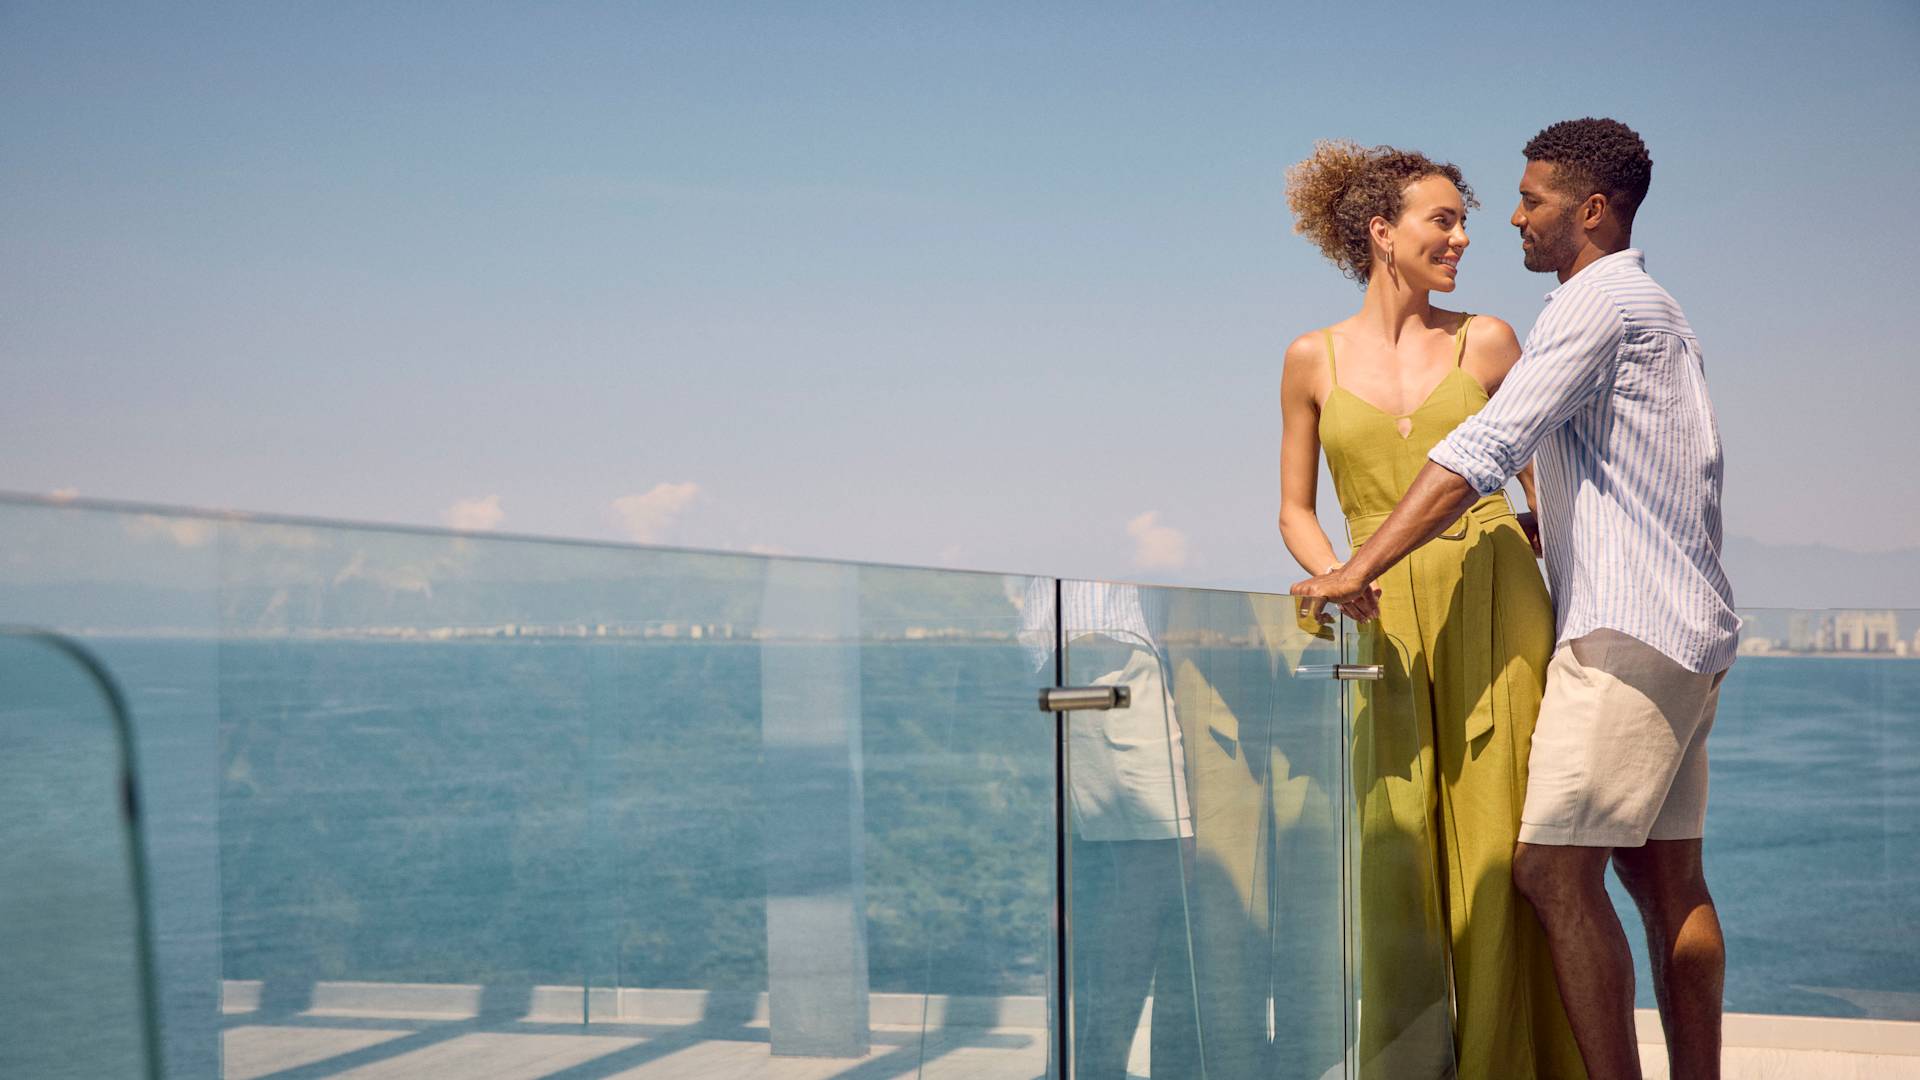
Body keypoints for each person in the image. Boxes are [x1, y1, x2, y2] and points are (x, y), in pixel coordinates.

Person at [1292, 118, 1739, 1080]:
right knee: (1666, 881)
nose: (1512, 223)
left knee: (1546, 870)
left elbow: (1484, 453)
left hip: (1622, 632)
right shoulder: (1659, 309)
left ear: (1588, 209)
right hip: (1688, 631)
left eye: (1530, 202)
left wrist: (1354, 567)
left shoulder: (1591, 306)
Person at [1278, 140, 1585, 1078]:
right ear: (1382, 234)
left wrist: (1540, 540)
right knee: (1393, 851)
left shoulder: (1486, 340)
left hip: (1497, 607)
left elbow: (1552, 487)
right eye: (1441, 220)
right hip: (1383, 621)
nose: (1462, 236)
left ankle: (1510, 1063)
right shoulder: (1310, 358)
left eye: (1462, 220)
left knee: (1501, 855)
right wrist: (1340, 575)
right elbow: (1295, 508)